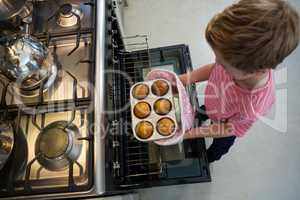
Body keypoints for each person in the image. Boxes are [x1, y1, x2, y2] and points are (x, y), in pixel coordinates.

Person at [180, 0, 299, 163]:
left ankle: (209, 157)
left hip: (226, 127)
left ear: (255, 70)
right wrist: (183, 79)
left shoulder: (253, 106)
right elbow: (213, 69)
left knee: (220, 146)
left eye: (222, 63)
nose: (217, 62)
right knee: (207, 109)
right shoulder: (238, 63)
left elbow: (227, 128)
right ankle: (204, 113)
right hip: (215, 102)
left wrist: (190, 134)